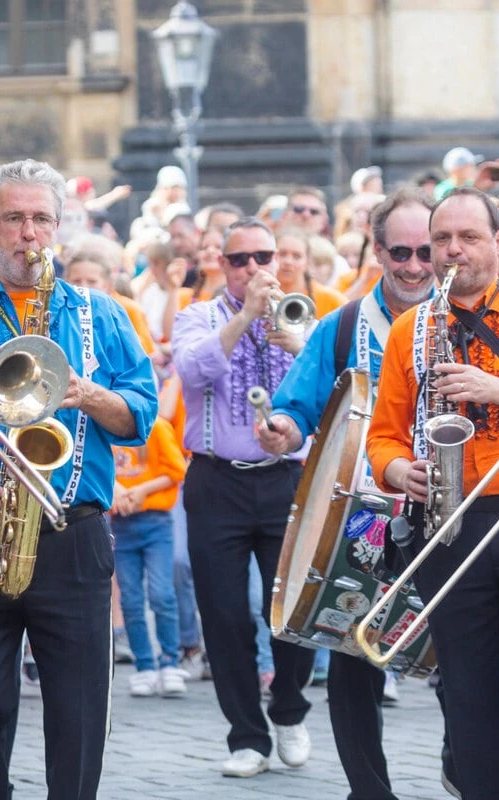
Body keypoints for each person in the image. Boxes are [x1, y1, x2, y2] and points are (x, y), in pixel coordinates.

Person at [0, 159, 156, 799]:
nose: (28, 234)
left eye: (40, 219)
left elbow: (140, 416)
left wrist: (86, 394)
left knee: (79, 713)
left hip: (73, 532)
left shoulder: (101, 313)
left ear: (57, 226)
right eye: (13, 218)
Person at [366, 187, 499, 799]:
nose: (452, 251)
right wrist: (396, 472)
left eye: (467, 238)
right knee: (466, 697)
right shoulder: (411, 328)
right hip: (449, 520)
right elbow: (383, 436)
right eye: (442, 240)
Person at [257, 187, 438, 798]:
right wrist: (282, 430)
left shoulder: (461, 315)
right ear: (377, 249)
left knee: (461, 652)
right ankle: (369, 787)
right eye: (400, 252)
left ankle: (464, 762)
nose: (414, 267)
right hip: (361, 521)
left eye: (425, 252)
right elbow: (296, 407)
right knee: (351, 647)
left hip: (451, 504)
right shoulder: (344, 326)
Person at [171, 217, 315, 779]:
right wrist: (247, 317)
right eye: (240, 260)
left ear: (279, 260)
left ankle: (289, 708)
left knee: (291, 607)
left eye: (264, 257)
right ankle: (246, 734)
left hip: (285, 478)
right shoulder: (198, 317)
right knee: (225, 613)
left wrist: (296, 341)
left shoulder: (305, 315)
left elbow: (334, 386)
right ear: (221, 266)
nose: (254, 268)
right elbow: (192, 369)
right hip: (217, 480)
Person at [111, 416, 188, 697]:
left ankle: (170, 661)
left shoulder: (157, 427)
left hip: (156, 523)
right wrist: (117, 489)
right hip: (121, 524)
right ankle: (144, 665)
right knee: (130, 598)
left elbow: (177, 470)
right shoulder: (106, 426)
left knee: (161, 593)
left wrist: (140, 490)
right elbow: (99, 468)